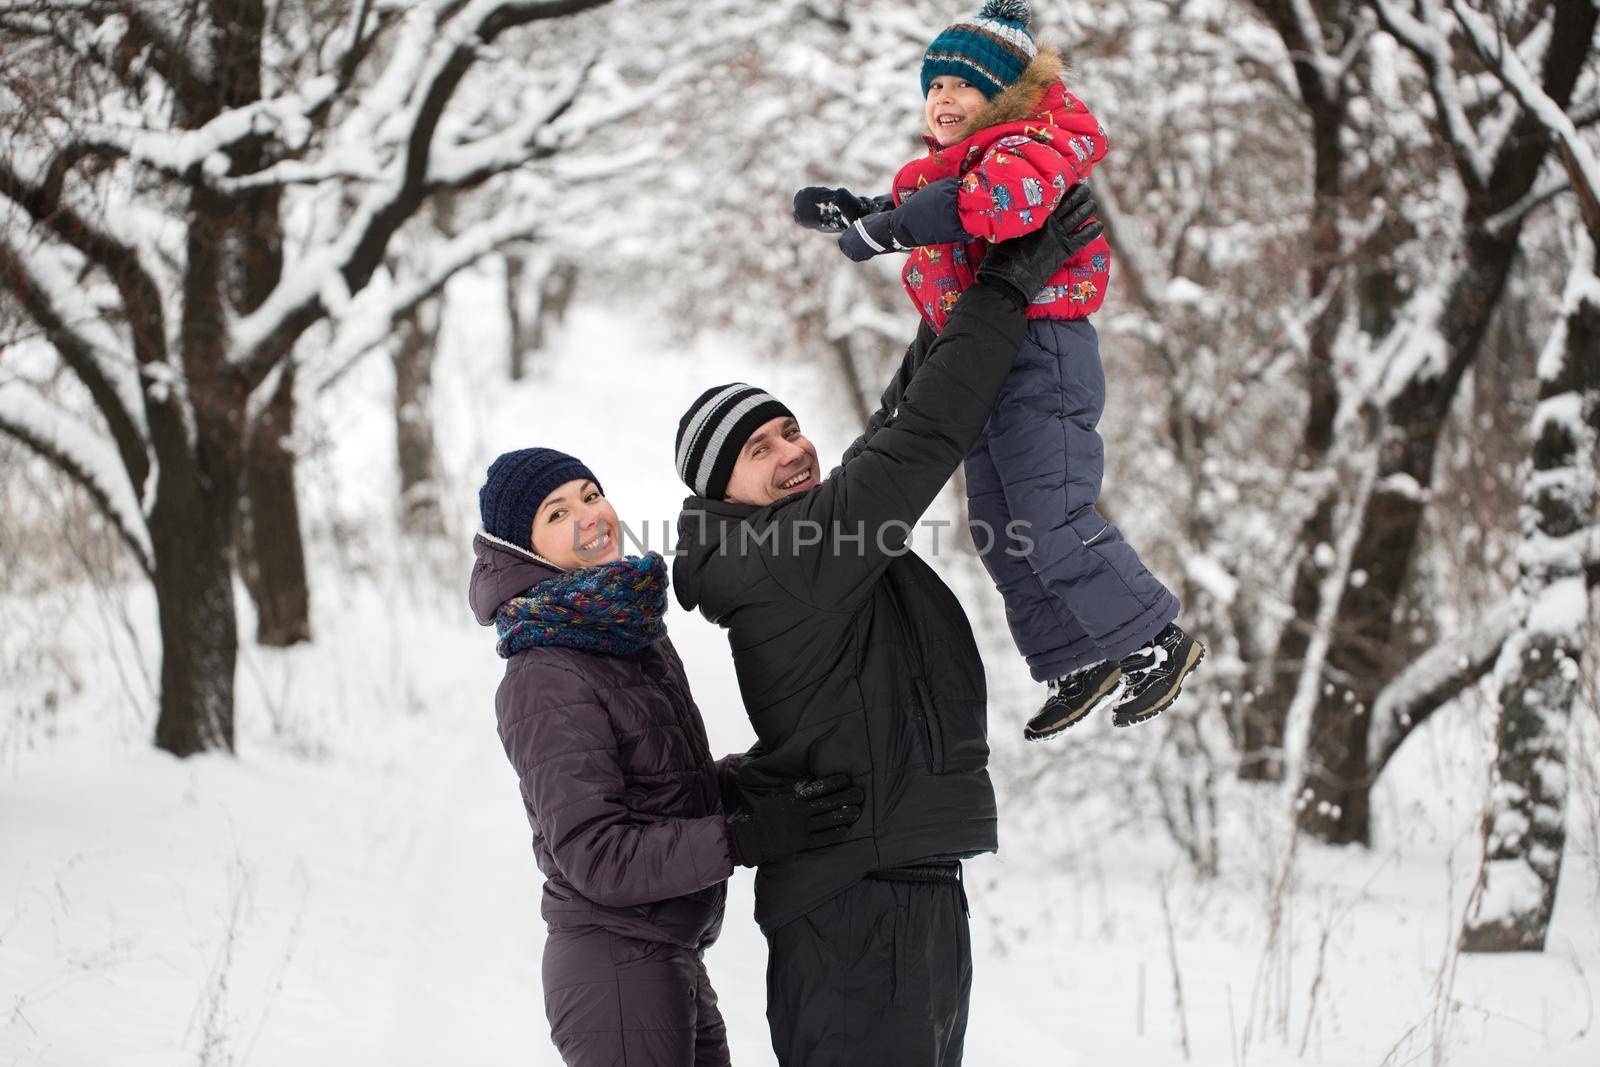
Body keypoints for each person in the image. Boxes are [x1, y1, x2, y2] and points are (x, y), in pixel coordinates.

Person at [671, 192, 1102, 1066]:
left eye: (789, 430)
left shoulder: (800, 537)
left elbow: (895, 422)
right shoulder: (789, 555)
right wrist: (1008, 289)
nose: (792, 450)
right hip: (861, 909)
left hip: (901, 890)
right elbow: (924, 437)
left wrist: (967, 279)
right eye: (759, 451)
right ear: (724, 490)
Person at [793, 0, 1203, 739]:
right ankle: (1078, 655)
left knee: (1050, 514)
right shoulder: (973, 160)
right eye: (933, 86)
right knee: (998, 526)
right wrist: (867, 210)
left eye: (963, 85)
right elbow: (947, 205)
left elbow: (991, 207)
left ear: (1007, 94)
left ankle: (1154, 640)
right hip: (985, 358)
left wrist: (887, 227)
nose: (942, 99)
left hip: (1043, 354)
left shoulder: (1035, 145)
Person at [469, 447, 863, 1067]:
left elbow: (666, 790)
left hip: (665, 952)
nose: (588, 516)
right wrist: (742, 840)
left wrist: (763, 779)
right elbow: (594, 854)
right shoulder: (544, 674)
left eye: (591, 495)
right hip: (616, 965)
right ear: (525, 550)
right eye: (557, 511)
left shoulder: (624, 635)